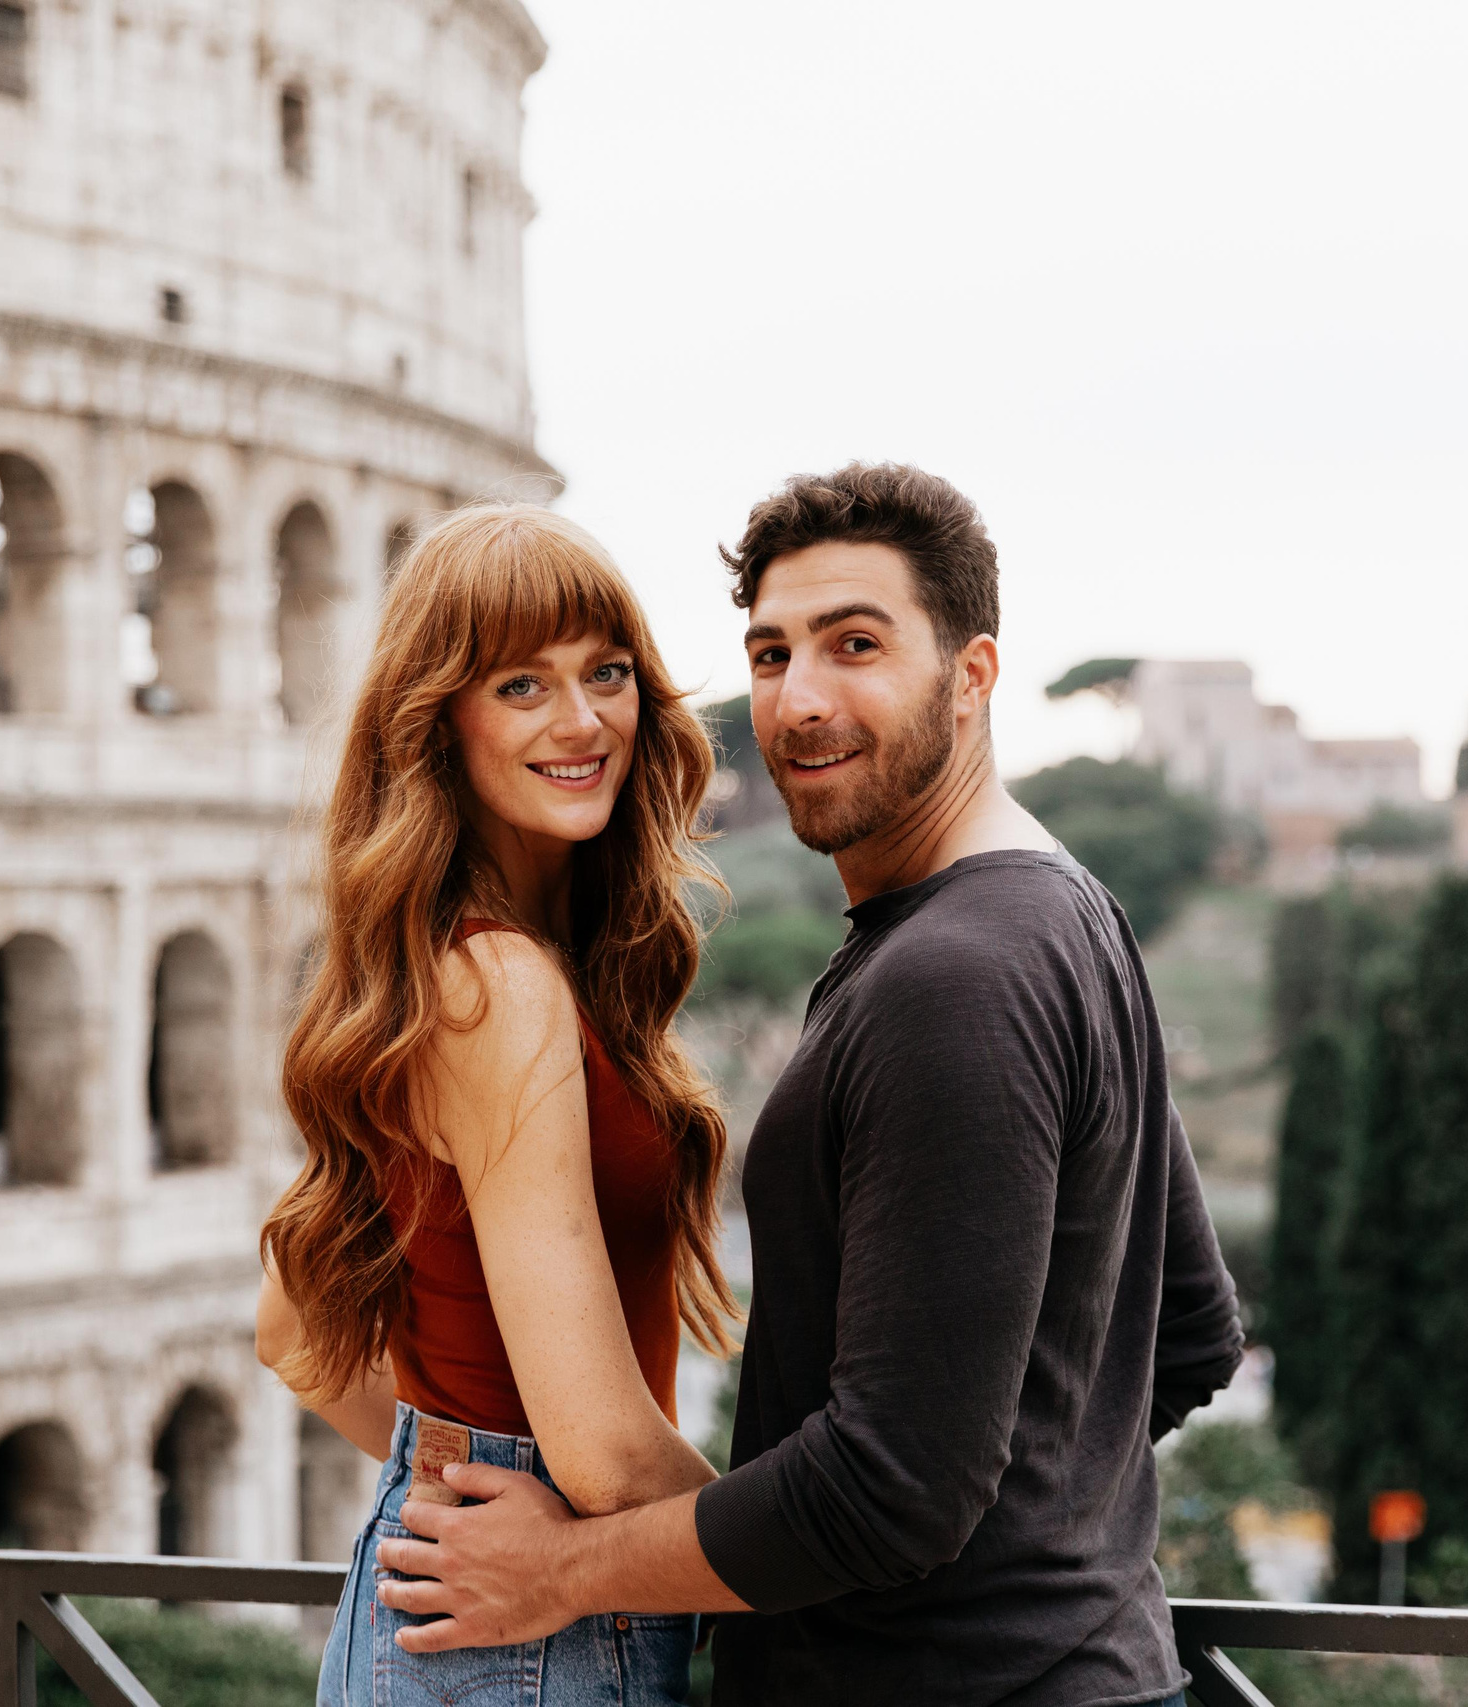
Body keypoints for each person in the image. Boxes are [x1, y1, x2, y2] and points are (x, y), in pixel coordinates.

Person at [370, 464, 1246, 1707]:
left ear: (973, 675)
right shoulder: (1065, 913)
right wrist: (1017, 1531)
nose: (800, 699)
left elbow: (890, 1490)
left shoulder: (955, 979)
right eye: (771, 654)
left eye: (855, 645)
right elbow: (1191, 1336)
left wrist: (563, 1572)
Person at [254, 503, 740, 1707]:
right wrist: (827, 1561)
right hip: (537, 1631)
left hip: (488, 1621)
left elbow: (291, 1335)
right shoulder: (501, 988)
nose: (583, 722)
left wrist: (453, 1465)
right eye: (521, 685)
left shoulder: (460, 969)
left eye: (607, 673)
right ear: (439, 722)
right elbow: (607, 1458)